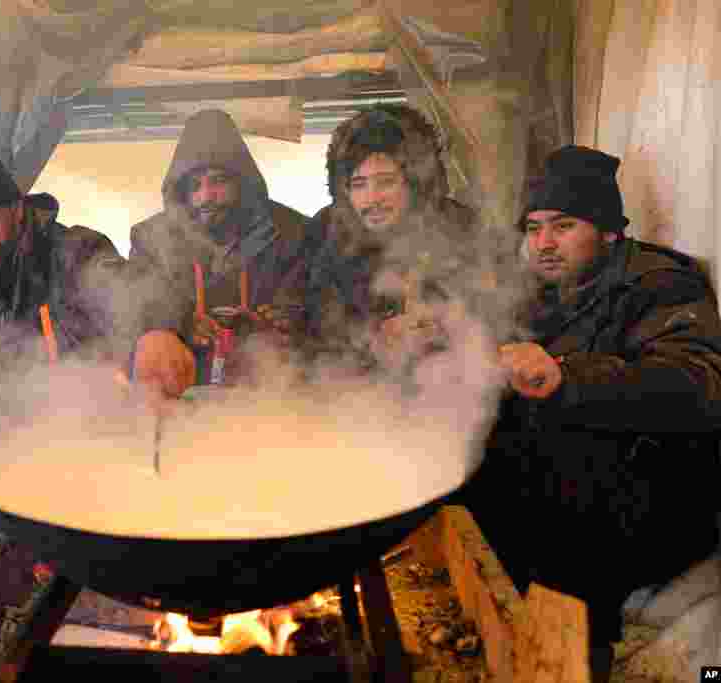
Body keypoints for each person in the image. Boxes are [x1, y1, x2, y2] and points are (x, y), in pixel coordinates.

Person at [476, 145, 721, 678]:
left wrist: (566, 374)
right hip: (565, 483)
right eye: (534, 227)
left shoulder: (658, 283)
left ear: (609, 231)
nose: (543, 243)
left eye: (563, 225)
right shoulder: (539, 290)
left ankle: (580, 654)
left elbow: (697, 385)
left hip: (646, 496)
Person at [0, 127, 187, 536]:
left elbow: (137, 291)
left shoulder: (74, 252)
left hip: (105, 445)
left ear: (17, 206)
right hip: (14, 469)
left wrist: (156, 329)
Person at [128, 109, 311, 390]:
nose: (206, 197)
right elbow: (140, 304)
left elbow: (311, 303)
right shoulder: (151, 239)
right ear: (181, 192)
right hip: (184, 386)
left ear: (242, 182)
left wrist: (284, 319)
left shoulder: (292, 232)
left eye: (218, 181)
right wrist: (181, 323)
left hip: (272, 386)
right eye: (195, 185)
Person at [303, 103, 480, 378]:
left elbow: (500, 323)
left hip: (453, 399)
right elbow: (316, 341)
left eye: (385, 182)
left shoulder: (464, 232)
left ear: (416, 182)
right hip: (366, 402)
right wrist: (372, 338)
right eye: (359, 184)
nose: (371, 199)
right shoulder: (331, 241)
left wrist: (444, 331)